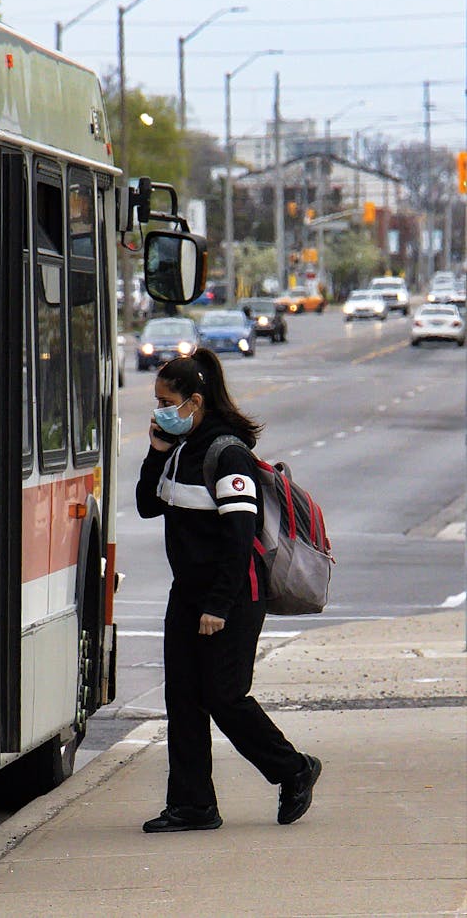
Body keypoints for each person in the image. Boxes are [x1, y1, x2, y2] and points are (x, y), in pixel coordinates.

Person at [136, 347, 321, 833]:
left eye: (165, 401)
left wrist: (219, 604)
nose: (158, 410)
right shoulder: (180, 451)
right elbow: (146, 506)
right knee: (183, 698)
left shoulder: (226, 453)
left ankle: (294, 769)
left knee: (224, 695)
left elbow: (241, 536)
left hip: (233, 595)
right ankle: (193, 805)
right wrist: (156, 452)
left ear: (194, 401)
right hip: (188, 594)